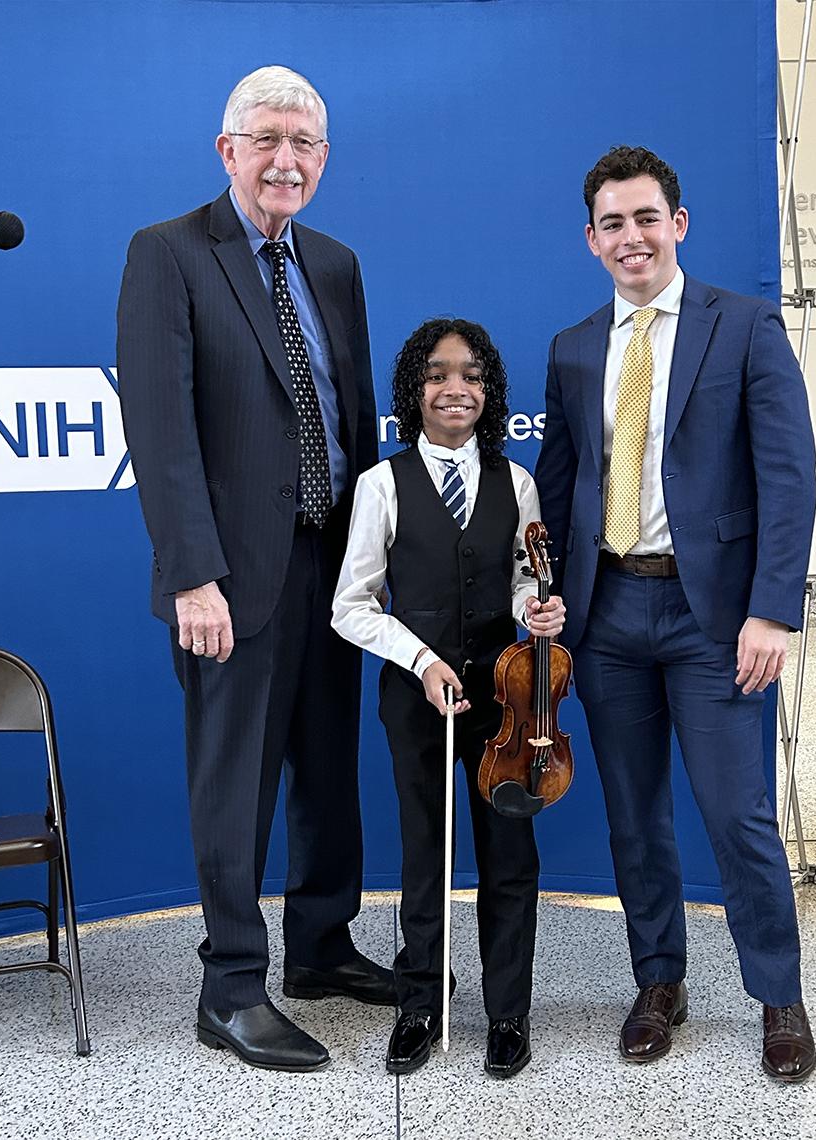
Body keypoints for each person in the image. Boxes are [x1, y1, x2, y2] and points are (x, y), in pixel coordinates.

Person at [116, 65, 393, 1073]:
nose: (285, 160)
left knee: (329, 769)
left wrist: (374, 559)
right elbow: (161, 426)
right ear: (227, 149)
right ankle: (231, 984)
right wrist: (193, 575)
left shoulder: (335, 262)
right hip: (230, 578)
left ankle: (321, 949)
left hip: (331, 562)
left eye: (304, 144)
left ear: (324, 159)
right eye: (266, 139)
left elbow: (351, 417)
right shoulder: (169, 255)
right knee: (234, 783)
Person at [535, 146, 816, 1082]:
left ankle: (779, 996)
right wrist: (550, 600)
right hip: (609, 614)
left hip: (717, 620)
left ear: (679, 223)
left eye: (647, 217)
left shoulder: (743, 328)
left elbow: (788, 477)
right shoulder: (575, 348)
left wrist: (771, 612)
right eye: (612, 223)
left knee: (737, 817)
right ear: (590, 240)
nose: (632, 237)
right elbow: (563, 486)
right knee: (634, 818)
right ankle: (659, 981)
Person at [332, 319, 565, 1078]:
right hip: (418, 697)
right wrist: (422, 658)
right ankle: (419, 1005)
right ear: (415, 391)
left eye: (469, 374)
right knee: (425, 851)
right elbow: (352, 605)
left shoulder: (516, 482)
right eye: (437, 375)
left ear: (488, 390)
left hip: (506, 701)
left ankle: (507, 1014)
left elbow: (529, 582)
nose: (454, 387)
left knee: (508, 854)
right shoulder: (381, 484)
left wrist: (540, 611)